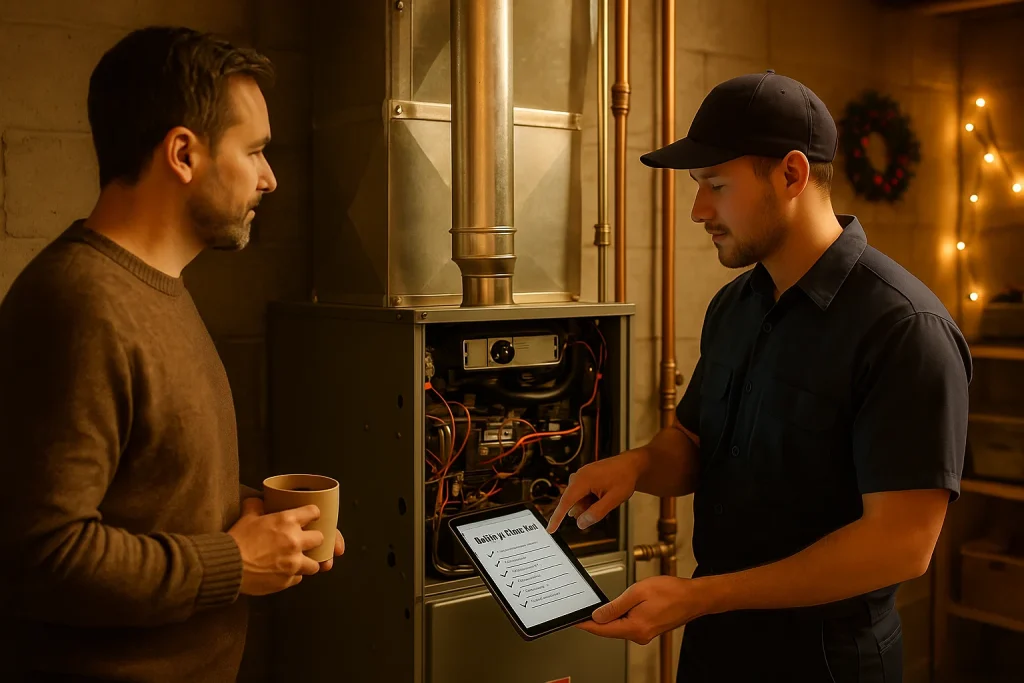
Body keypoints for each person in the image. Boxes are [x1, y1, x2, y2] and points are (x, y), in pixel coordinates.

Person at [547, 71, 972, 682]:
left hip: (827, 662)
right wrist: (638, 466)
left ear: (792, 175)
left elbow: (901, 545)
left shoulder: (904, 327)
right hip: (717, 647)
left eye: (716, 185)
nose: (698, 210)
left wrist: (702, 595)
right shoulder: (735, 305)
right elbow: (693, 444)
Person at [0, 27, 343, 682]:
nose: (270, 178)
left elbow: (149, 486)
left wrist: (268, 524)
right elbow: (38, 556)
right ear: (183, 153)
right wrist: (234, 563)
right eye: (256, 151)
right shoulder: (78, 304)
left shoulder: (157, 288)